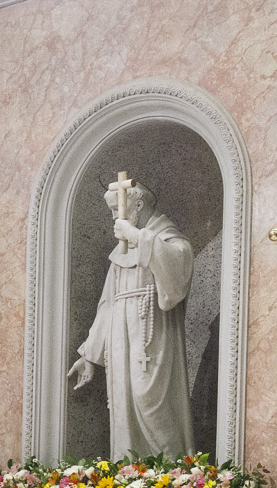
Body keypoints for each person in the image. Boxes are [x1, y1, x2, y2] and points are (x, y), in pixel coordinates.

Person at [69, 178, 195, 458]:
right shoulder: (121, 251)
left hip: (153, 336)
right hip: (120, 340)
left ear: (137, 205)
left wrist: (140, 238)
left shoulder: (168, 238)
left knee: (149, 399)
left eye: (117, 210)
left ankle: (173, 472)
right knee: (123, 400)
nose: (114, 217)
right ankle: (130, 470)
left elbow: (177, 275)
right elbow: (107, 304)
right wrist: (89, 355)